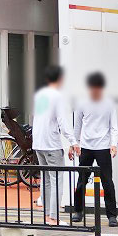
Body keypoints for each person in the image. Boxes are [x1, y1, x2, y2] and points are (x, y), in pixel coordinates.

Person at [71, 72, 118, 227]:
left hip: (103, 146)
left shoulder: (109, 104)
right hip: (86, 146)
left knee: (107, 182)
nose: (95, 91)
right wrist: (74, 143)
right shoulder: (82, 103)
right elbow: (77, 125)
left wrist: (114, 144)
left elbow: (114, 126)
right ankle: (78, 211)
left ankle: (112, 216)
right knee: (81, 181)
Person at [32, 65, 76, 225]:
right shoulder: (57, 96)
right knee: (56, 180)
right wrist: (73, 141)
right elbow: (62, 121)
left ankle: (47, 217)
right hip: (51, 144)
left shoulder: (40, 95)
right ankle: (54, 218)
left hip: (38, 143)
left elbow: (38, 118)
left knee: (46, 180)